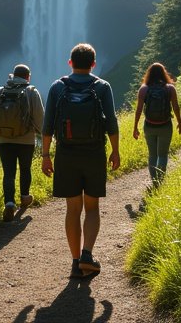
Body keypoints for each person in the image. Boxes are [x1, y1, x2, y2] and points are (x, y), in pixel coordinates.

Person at [41, 43, 120, 279]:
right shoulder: (103, 87)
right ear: (93, 64)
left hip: (66, 154)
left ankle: (76, 262)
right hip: (94, 153)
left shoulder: (57, 87)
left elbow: (47, 125)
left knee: (73, 209)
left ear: (70, 63)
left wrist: (45, 155)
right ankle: (88, 254)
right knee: (92, 207)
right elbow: (112, 122)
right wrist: (115, 151)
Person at [0, 64, 44, 222]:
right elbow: (40, 118)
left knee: (8, 172)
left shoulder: (1, 91)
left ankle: (9, 204)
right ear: (28, 77)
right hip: (26, 140)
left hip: (4, 140)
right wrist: (42, 134)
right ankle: (25, 197)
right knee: (25, 169)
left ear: (13, 75)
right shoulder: (32, 91)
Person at [132, 62, 181, 187]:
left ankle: (154, 182)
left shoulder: (144, 89)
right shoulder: (170, 88)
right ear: (164, 74)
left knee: (153, 154)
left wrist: (135, 127)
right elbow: (176, 107)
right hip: (165, 125)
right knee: (163, 154)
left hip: (149, 125)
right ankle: (160, 182)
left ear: (149, 74)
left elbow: (138, 110)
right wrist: (179, 122)